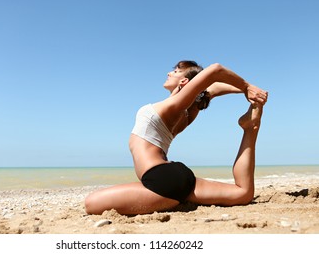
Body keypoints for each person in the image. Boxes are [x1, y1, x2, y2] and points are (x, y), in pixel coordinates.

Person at [85, 61, 268, 215]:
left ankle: (172, 199)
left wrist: (247, 87)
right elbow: (211, 90)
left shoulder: (174, 107)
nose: (169, 72)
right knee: (243, 193)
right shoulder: (184, 113)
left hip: (162, 179)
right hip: (173, 175)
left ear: (184, 81)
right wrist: (245, 92)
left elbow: (216, 70)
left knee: (91, 204)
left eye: (175, 71)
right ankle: (250, 129)